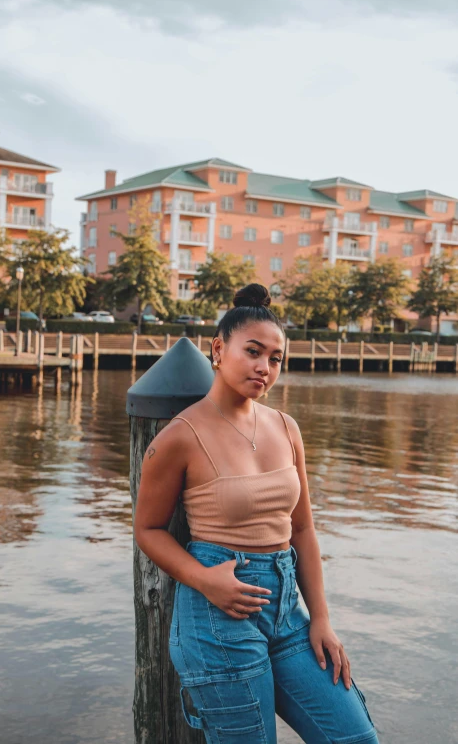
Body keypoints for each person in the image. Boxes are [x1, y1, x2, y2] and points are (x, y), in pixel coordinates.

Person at [134, 283, 379, 744]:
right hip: (217, 615)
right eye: (252, 352)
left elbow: (302, 529)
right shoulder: (180, 436)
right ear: (219, 349)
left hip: (288, 613)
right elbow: (147, 530)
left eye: (276, 358)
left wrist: (321, 619)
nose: (264, 367)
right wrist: (205, 579)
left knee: (356, 737)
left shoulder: (286, 427)